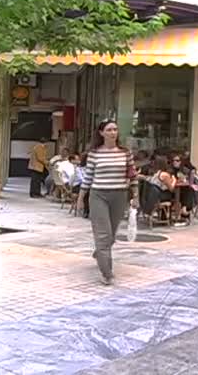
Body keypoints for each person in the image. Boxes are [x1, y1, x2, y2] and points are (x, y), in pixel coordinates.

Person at [77, 120, 139, 286]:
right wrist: (81, 198)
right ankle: (107, 272)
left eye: (115, 129)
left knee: (111, 234)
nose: (113, 132)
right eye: (109, 129)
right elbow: (88, 177)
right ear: (101, 133)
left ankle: (100, 253)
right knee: (103, 235)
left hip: (120, 196)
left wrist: (136, 196)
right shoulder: (94, 154)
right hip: (98, 196)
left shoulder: (125, 153)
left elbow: (132, 176)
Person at [169, 153, 196, 221]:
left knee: (190, 190)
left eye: (177, 160)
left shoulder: (183, 169)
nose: (175, 162)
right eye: (174, 160)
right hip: (171, 191)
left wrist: (185, 179)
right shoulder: (170, 170)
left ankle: (184, 208)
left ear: (181, 162)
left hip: (181, 190)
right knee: (187, 191)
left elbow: (191, 172)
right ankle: (184, 211)